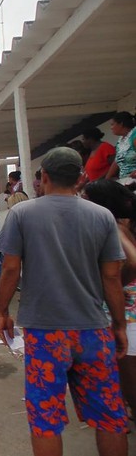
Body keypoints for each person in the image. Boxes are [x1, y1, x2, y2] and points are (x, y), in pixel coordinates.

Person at [0, 147, 129, 456]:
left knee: (46, 419)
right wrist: (119, 326)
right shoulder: (102, 216)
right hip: (94, 331)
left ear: (43, 177)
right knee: (109, 417)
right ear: (81, 177)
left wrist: (2, 312)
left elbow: (11, 268)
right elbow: (111, 277)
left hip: (45, 335)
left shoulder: (22, 213)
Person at [83, 179, 136, 421]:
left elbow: (133, 262)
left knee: (129, 379)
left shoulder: (112, 227)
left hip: (127, 314)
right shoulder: (124, 225)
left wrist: (114, 285)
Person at [106, 111, 136, 182]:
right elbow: (117, 160)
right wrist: (107, 179)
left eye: (112, 124)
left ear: (121, 124)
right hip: (126, 182)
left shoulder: (134, 136)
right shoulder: (120, 140)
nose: (111, 128)